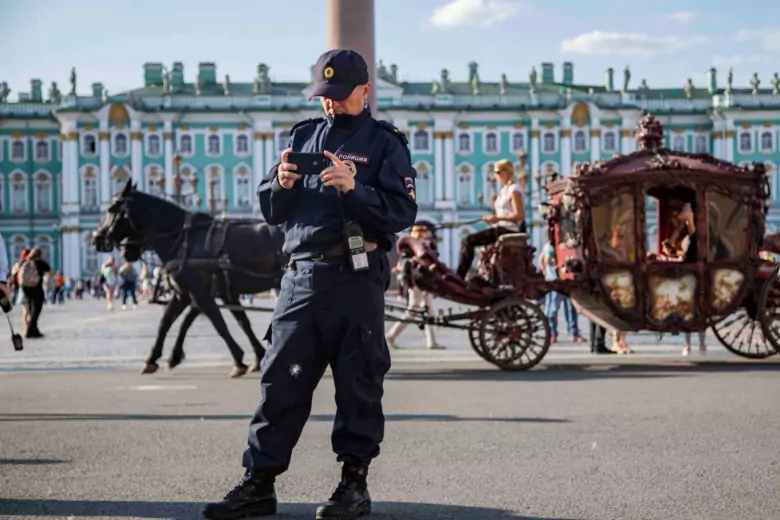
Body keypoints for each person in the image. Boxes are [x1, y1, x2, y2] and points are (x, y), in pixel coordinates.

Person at [203, 49, 418, 520]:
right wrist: (279, 182)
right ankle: (258, 484)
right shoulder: (302, 135)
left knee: (358, 381)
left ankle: (353, 486)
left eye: (340, 96)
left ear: (365, 91)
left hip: (355, 276)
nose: (331, 105)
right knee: (280, 380)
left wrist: (353, 188)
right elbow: (271, 209)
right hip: (301, 277)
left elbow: (402, 212)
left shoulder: (385, 144)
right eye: (324, 96)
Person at [456, 159, 526, 280]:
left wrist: (497, 218)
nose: (496, 176)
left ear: (507, 172)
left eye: (498, 172)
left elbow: (519, 215)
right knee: (471, 243)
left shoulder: (514, 190)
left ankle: (460, 276)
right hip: (500, 227)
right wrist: (494, 219)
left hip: (508, 229)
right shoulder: (503, 191)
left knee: (469, 240)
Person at [385, 224, 443, 350]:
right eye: (425, 231)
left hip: (421, 283)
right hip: (419, 283)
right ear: (421, 233)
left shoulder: (414, 245)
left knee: (428, 311)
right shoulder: (419, 245)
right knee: (413, 312)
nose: (428, 233)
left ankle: (432, 342)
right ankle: (391, 336)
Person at [537, 239, 584, 343]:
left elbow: (541, 260)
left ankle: (555, 332)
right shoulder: (552, 247)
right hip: (557, 280)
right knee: (561, 307)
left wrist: (545, 272)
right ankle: (567, 332)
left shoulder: (547, 246)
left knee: (556, 307)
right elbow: (546, 260)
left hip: (554, 279)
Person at [18, 247, 51, 338]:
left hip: (26, 288)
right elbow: (49, 269)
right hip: (36, 288)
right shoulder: (40, 263)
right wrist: (43, 260)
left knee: (30, 309)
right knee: (35, 311)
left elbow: (18, 271)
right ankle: (29, 330)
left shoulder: (24, 261)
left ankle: (35, 331)